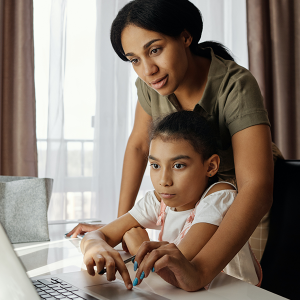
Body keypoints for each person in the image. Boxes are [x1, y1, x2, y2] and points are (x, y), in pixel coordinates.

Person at [67, 0, 283, 287]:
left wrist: (201, 271)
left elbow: (256, 187)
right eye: (134, 60)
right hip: (193, 190)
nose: (147, 70)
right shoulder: (150, 84)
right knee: (167, 269)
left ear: (185, 37)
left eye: (154, 50)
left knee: (226, 281)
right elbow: (138, 147)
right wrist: (119, 227)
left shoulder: (235, 84)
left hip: (243, 195)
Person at [80, 111, 262, 291]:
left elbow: (178, 265)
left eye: (178, 165)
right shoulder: (159, 200)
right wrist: (96, 247)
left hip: (234, 294)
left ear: (211, 166)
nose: (164, 180)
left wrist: (137, 246)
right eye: (155, 166)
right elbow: (97, 236)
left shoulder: (220, 197)